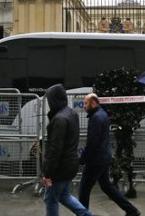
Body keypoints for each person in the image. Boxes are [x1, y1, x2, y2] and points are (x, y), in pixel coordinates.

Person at [78, 93, 141, 216]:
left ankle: (82, 214)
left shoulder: (95, 117)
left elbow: (92, 142)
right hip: (103, 158)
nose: (83, 106)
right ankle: (131, 210)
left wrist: (82, 159)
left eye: (86, 103)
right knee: (107, 187)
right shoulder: (102, 114)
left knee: (84, 189)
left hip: (95, 160)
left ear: (93, 103)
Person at [42, 84, 92, 216]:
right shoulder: (71, 113)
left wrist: (48, 173)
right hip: (70, 164)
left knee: (51, 200)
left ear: (54, 100)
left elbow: (55, 149)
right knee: (64, 196)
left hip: (60, 168)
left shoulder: (59, 119)